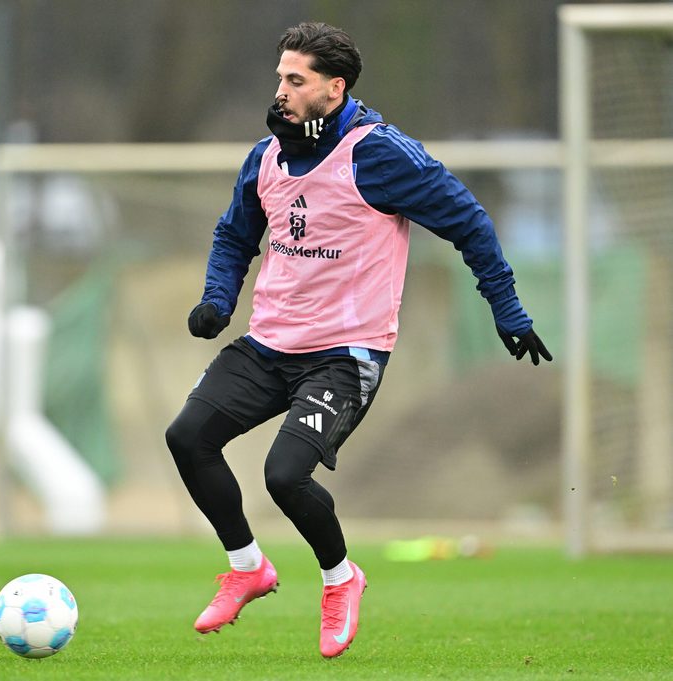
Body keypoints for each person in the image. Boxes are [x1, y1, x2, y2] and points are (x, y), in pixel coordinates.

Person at [165, 21, 552, 658]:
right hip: (269, 344)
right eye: (280, 78)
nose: (282, 91)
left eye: (297, 80)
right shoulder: (266, 156)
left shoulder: (380, 155)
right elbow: (235, 236)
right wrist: (217, 300)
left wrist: (506, 308)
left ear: (334, 87)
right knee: (187, 437)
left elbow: (470, 222)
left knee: (284, 476)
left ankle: (341, 580)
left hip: (346, 354)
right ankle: (247, 567)